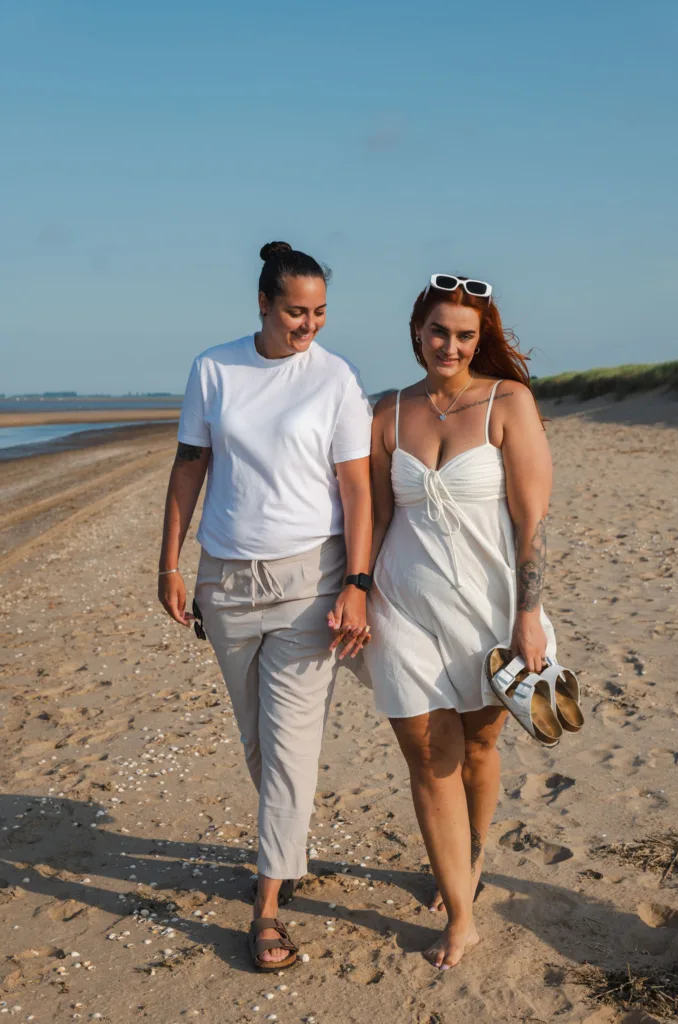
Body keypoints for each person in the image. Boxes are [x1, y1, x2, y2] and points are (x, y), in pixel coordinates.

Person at [157, 242, 373, 969]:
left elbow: (356, 491)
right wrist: (169, 563)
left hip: (310, 583)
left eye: (317, 312)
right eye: (293, 311)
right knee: (259, 744)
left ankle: (268, 904)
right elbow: (190, 466)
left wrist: (358, 582)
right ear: (262, 304)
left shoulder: (336, 378)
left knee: (289, 751)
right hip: (224, 584)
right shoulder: (214, 369)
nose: (307, 325)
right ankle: (285, 845)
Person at [364, 273, 556, 970]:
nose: (449, 344)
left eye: (464, 335)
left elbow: (531, 522)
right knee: (428, 756)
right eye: (438, 331)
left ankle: (468, 865)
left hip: (489, 610)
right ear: (416, 332)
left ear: (481, 341)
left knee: (477, 750)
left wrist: (527, 617)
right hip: (402, 608)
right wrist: (356, 590)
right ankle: (462, 915)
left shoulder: (508, 402)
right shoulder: (385, 411)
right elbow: (375, 518)